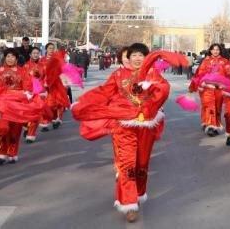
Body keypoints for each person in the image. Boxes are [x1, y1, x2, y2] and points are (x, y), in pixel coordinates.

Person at [71, 43, 171, 223]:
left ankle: (138, 194)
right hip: (123, 125)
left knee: (141, 164)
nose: (138, 58)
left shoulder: (154, 75)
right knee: (127, 165)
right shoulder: (118, 75)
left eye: (142, 55)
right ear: (129, 57)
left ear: (146, 58)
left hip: (145, 125)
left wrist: (153, 87)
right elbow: (104, 92)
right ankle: (129, 202)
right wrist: (83, 102)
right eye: (134, 55)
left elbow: (164, 91)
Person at [0, 48, 32, 165]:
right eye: (8, 56)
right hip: (2, 106)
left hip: (17, 106)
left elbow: (27, 86)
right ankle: (1, 153)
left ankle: (12, 153)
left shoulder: (22, 71)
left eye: (12, 57)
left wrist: (26, 95)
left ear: (16, 58)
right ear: (4, 58)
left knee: (15, 131)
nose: (10, 59)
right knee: (2, 129)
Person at [189, 43, 230, 137]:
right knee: (209, 107)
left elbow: (229, 74)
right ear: (210, 51)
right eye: (214, 49)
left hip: (219, 89)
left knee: (217, 108)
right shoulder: (206, 61)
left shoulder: (225, 61)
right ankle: (211, 126)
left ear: (220, 51)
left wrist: (229, 84)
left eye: (217, 49)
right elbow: (200, 73)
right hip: (207, 89)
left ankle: (215, 125)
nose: (215, 51)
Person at [24, 47, 46, 143]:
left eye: (37, 53)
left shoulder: (43, 66)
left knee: (35, 114)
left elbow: (45, 78)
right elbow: (23, 79)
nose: (36, 55)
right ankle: (26, 127)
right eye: (34, 53)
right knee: (26, 114)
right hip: (28, 93)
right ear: (30, 54)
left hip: (39, 93)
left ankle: (31, 134)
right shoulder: (25, 66)